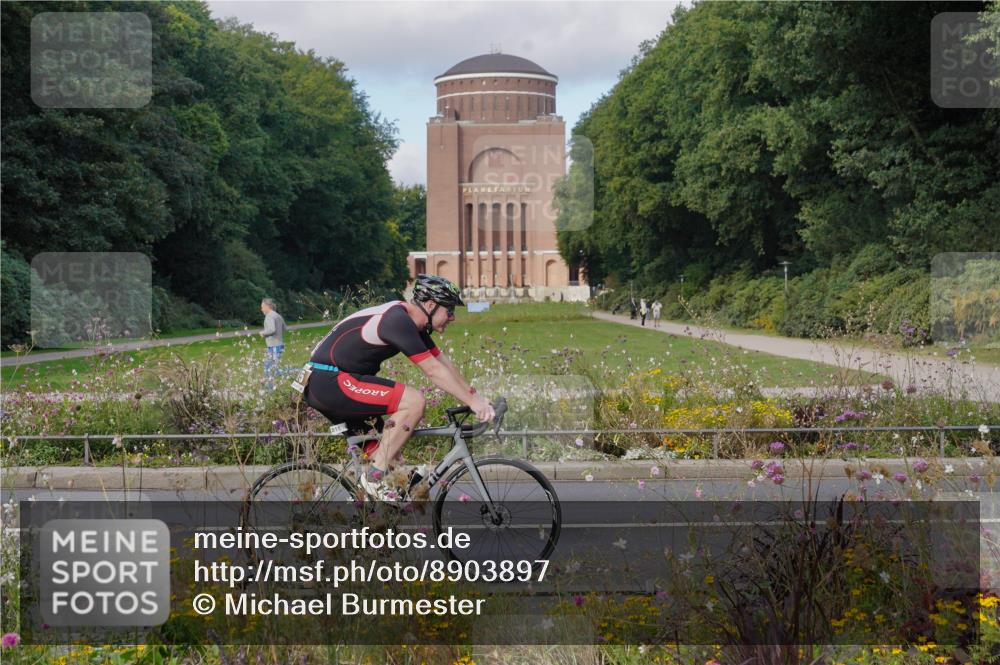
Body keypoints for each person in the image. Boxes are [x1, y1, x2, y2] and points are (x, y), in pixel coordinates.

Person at [303, 274, 494, 500]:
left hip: (327, 382)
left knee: (391, 461)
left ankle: (368, 516)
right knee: (414, 402)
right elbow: (432, 370)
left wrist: (476, 397)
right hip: (329, 381)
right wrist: (473, 403)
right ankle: (373, 478)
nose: (452, 317)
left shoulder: (412, 323)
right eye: (450, 310)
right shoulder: (397, 320)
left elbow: (443, 363)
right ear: (431, 305)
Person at [260, 298, 287, 390]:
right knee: (268, 367)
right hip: (278, 345)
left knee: (273, 370)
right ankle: (269, 388)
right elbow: (284, 329)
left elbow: (272, 329)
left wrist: (263, 333)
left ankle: (299, 372)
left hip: (274, 346)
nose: (261, 309)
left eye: (262, 307)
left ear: (267, 306)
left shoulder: (269, 316)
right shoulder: (278, 315)